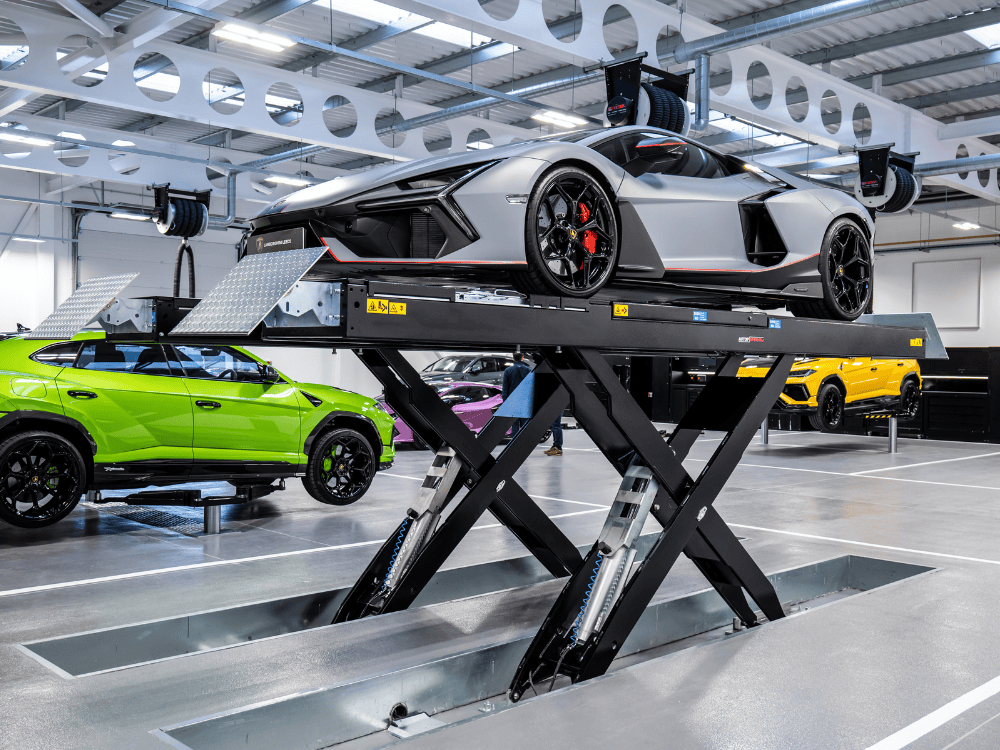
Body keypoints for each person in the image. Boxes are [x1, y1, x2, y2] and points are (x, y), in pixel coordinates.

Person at [501, 351, 531, 437]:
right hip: (525, 400)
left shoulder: (508, 370)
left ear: (513, 358)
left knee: (514, 424)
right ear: (522, 358)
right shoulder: (528, 370)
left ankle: (514, 443)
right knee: (525, 424)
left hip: (512, 400)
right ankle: (524, 442)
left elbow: (505, 388)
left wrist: (505, 401)